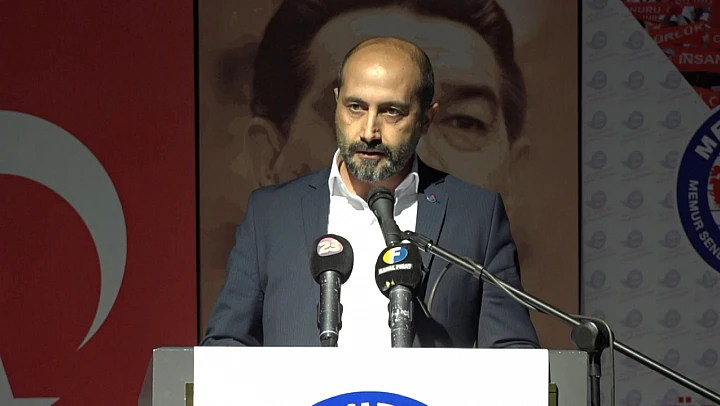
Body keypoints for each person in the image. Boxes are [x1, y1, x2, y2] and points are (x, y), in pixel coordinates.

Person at [201, 36, 540, 348]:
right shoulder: (271, 214)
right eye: (355, 107)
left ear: (426, 119)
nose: (369, 131)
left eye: (391, 111)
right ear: (336, 103)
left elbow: (513, 355)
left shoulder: (476, 215)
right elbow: (225, 346)